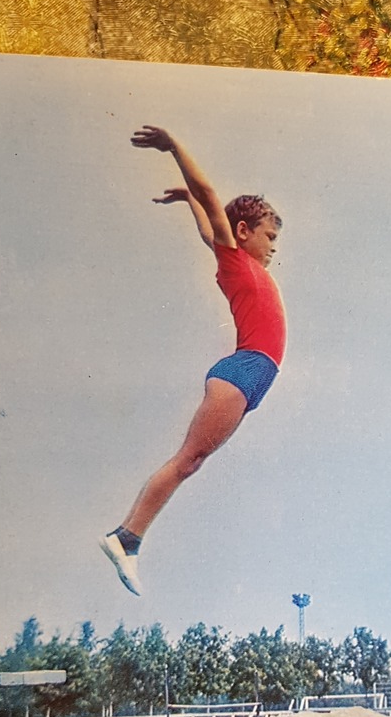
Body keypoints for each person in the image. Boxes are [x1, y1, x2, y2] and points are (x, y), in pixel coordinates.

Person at [100, 125, 287, 596]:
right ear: (243, 233)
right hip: (244, 368)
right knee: (188, 460)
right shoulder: (237, 260)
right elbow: (212, 199)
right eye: (268, 235)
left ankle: (128, 538)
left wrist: (188, 202)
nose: (274, 246)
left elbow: (208, 224)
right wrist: (175, 150)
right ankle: (126, 538)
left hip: (254, 376)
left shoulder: (239, 261)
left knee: (193, 462)